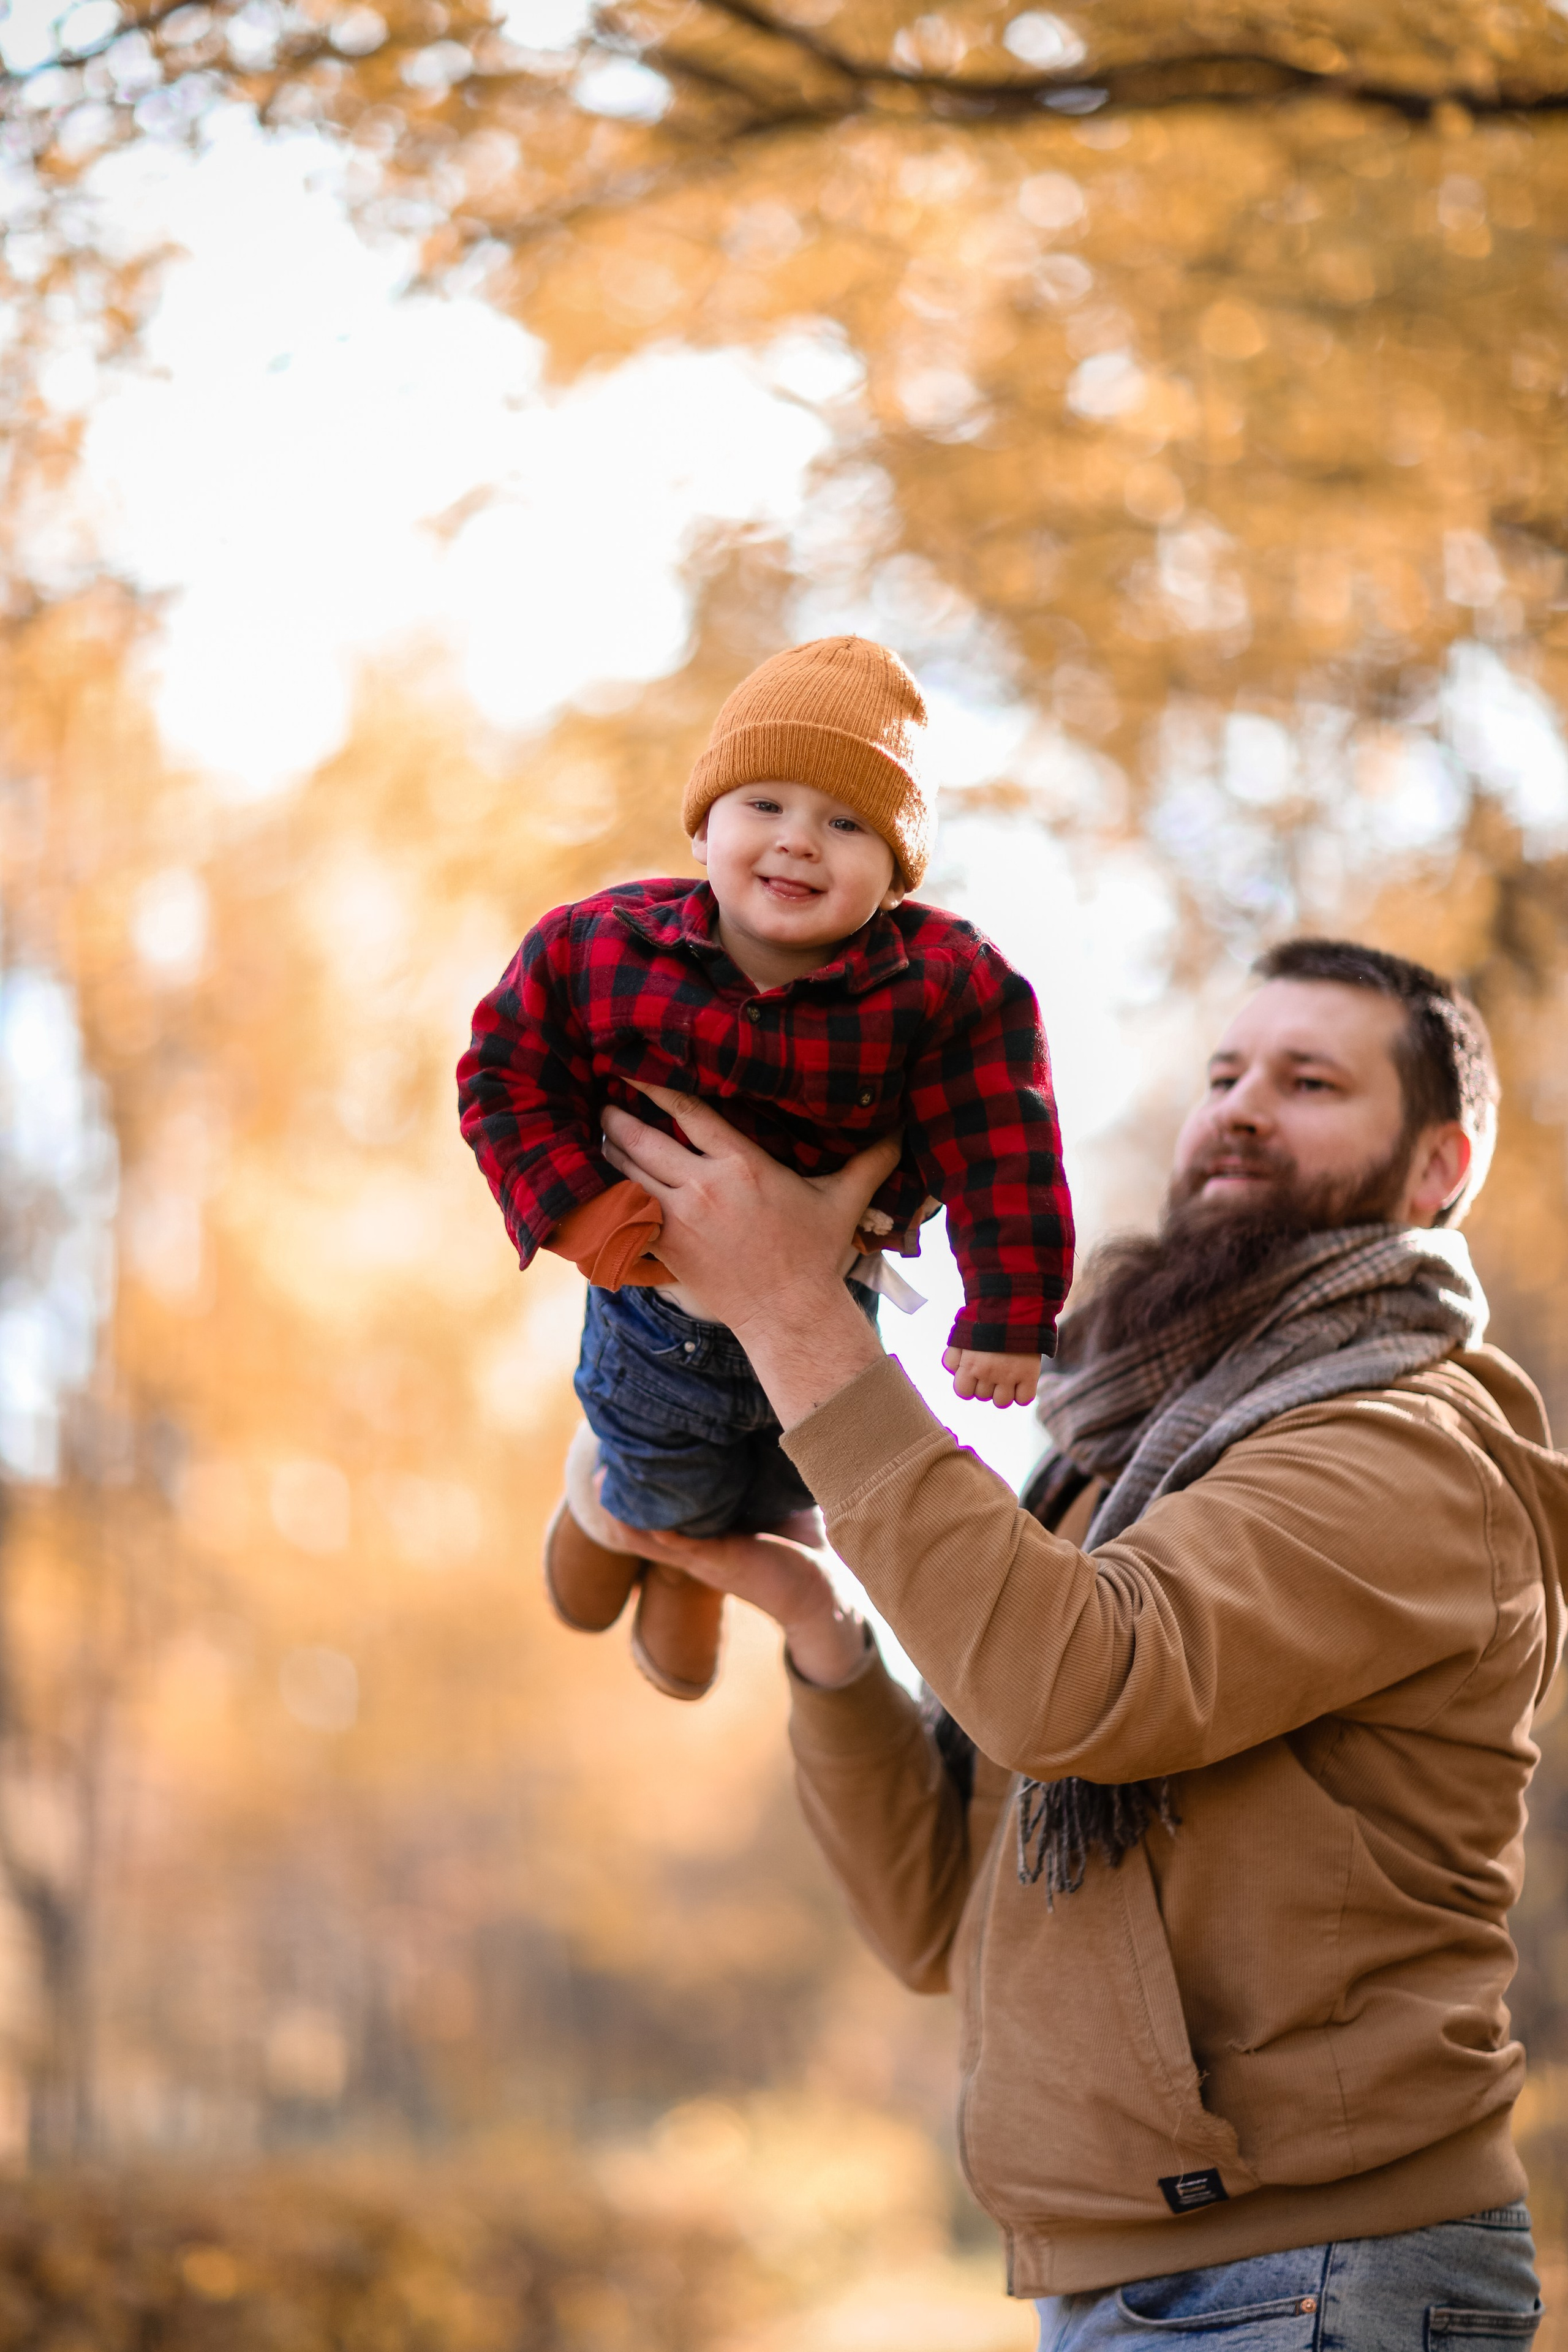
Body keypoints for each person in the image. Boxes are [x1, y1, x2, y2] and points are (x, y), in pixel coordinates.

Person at [586, 938, 1568, 2348]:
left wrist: (792, 1311)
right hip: (1140, 2282)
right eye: (1224, 1071)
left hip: (1313, 2278)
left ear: (1433, 1169)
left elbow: (1074, 1687)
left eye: (1307, 1081)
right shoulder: (1126, 1471)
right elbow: (938, 1915)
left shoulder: (1400, 1452)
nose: (1237, 1106)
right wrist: (820, 1619)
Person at [456, 635, 1072, 1700]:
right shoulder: (598, 949)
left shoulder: (947, 989)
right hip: (657, 1311)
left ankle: (698, 1545)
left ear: (896, 869)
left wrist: (1012, 1311)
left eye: (846, 824)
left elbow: (1004, 1138)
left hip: (833, 1319)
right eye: (765, 807)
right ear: (705, 823)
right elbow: (505, 1074)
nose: (799, 844)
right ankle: (633, 1522)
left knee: (807, 1486)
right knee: (666, 1473)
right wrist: (585, 1216)